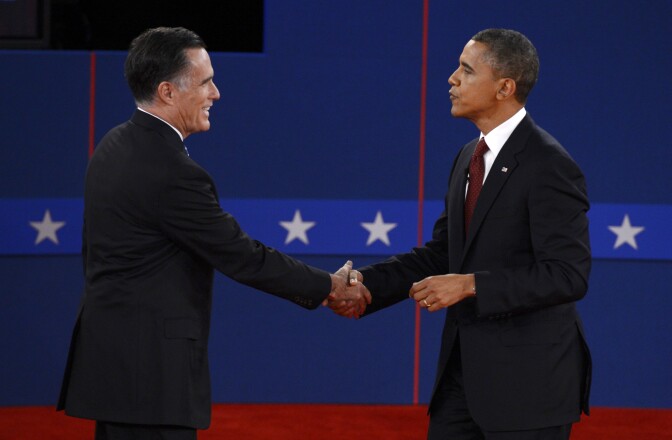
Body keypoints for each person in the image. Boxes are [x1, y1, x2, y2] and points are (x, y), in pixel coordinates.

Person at [57, 27, 369, 439]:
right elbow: (241, 256)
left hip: (118, 367)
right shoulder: (170, 171)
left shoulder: (116, 144)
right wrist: (328, 286)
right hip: (149, 377)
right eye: (205, 82)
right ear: (168, 92)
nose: (216, 93)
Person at [333, 29, 592, 439]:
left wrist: (470, 285)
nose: (452, 79)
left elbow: (567, 274)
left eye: (466, 71)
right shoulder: (467, 158)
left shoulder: (549, 164)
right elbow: (443, 254)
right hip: (461, 381)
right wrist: (368, 284)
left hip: (528, 389)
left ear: (505, 87)